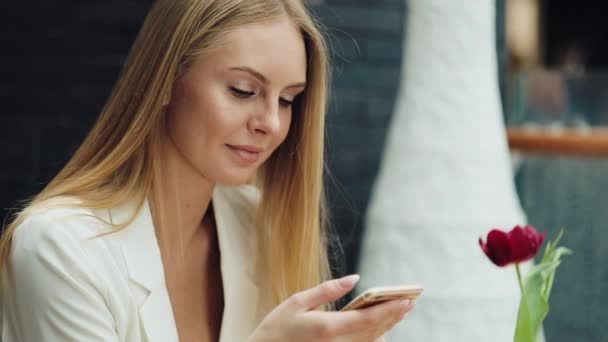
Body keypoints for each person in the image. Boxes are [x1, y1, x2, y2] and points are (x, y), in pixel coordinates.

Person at [0, 0, 414, 341]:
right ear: (164, 80)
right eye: (244, 91)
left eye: (288, 100)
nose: (270, 122)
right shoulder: (59, 248)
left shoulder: (257, 223)